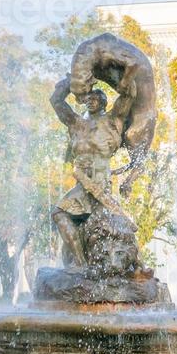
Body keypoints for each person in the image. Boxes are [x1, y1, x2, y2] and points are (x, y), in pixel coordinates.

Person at [49, 74, 136, 269]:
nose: (90, 102)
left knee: (101, 223)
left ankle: (126, 265)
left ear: (103, 102)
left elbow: (129, 93)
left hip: (99, 183)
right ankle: (80, 264)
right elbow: (55, 101)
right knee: (59, 214)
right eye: (88, 99)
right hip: (82, 182)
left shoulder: (112, 120)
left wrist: (109, 72)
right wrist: (72, 82)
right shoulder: (76, 124)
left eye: (94, 99)